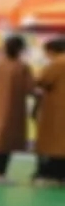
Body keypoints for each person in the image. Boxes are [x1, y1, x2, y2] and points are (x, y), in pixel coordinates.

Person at [0, 35, 35, 182]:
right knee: (7, 142)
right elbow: (30, 88)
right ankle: (0, 172)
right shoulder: (22, 67)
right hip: (14, 110)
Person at [34, 38, 65, 186]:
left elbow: (42, 80)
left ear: (51, 51)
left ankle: (50, 175)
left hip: (56, 110)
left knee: (53, 144)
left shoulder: (58, 63)